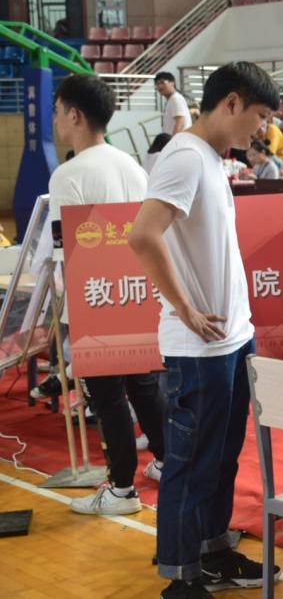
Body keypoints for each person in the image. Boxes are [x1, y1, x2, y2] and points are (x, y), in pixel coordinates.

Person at [129, 62, 281, 599]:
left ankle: (213, 551)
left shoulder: (211, 159)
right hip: (199, 349)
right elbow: (143, 235)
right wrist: (185, 308)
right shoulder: (185, 157)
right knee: (192, 463)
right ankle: (181, 576)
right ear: (232, 103)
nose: (262, 129)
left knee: (221, 456)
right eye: (260, 116)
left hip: (231, 339)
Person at [49, 74, 167, 518]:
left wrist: (65, 310)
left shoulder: (68, 174)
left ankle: (121, 488)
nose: (56, 120)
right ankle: (166, 461)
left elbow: (64, 251)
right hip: (135, 293)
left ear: (75, 115)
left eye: (58, 112)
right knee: (142, 384)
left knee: (108, 396)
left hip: (94, 299)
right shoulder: (133, 167)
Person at [155, 72, 192, 136]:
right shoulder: (171, 99)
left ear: (172, 83)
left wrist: (173, 140)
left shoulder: (175, 98)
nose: (159, 86)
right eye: (157, 84)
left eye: (162, 83)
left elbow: (180, 121)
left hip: (178, 140)